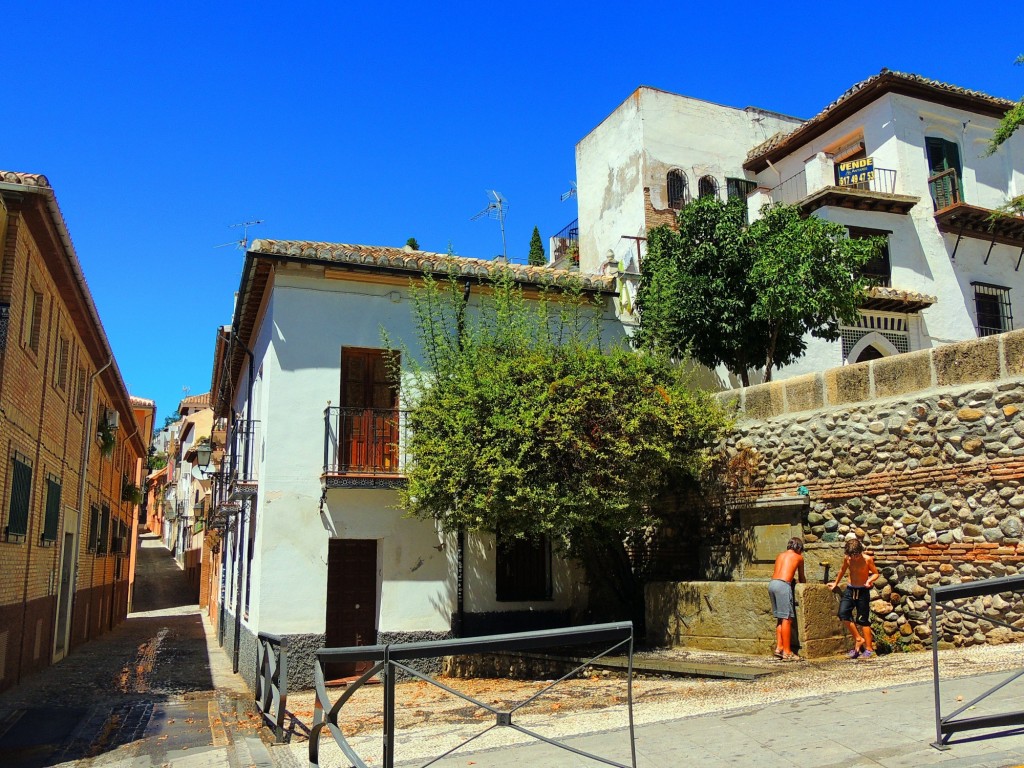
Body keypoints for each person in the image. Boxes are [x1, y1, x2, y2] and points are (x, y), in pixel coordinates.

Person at [829, 537, 879, 659]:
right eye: (850, 555)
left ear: (859, 552)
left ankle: (869, 649)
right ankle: (858, 638)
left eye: (854, 555)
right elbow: (842, 570)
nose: (852, 558)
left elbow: (876, 573)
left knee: (863, 620)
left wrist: (869, 580)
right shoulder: (848, 559)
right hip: (850, 589)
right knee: (843, 613)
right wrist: (836, 583)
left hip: (862, 591)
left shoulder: (867, 560)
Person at [769, 537, 806, 661]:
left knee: (780, 618)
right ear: (799, 548)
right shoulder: (799, 557)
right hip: (783, 586)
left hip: (773, 584)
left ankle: (779, 648)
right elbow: (802, 578)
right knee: (787, 619)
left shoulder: (780, 555)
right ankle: (787, 652)